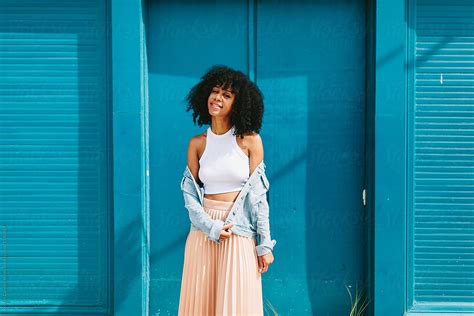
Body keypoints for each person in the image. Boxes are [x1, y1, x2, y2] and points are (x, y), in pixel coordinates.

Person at [178, 65, 276, 315]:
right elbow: (190, 196)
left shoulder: (251, 141)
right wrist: (210, 226)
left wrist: (264, 244)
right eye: (215, 91)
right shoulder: (197, 144)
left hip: (239, 232)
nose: (218, 98)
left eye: (227, 95)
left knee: (237, 305)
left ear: (238, 103)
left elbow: (259, 198)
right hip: (203, 232)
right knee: (200, 304)